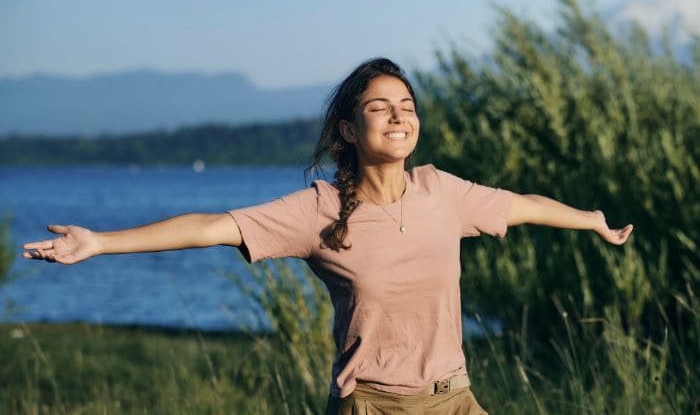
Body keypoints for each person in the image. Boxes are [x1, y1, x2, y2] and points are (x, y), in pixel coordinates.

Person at [24, 57, 633, 414]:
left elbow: (521, 205)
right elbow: (213, 227)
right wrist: (101, 241)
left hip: (456, 398)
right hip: (373, 406)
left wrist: (590, 221)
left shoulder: (442, 192)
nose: (399, 114)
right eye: (379, 106)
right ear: (347, 128)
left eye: (407, 104)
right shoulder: (316, 211)